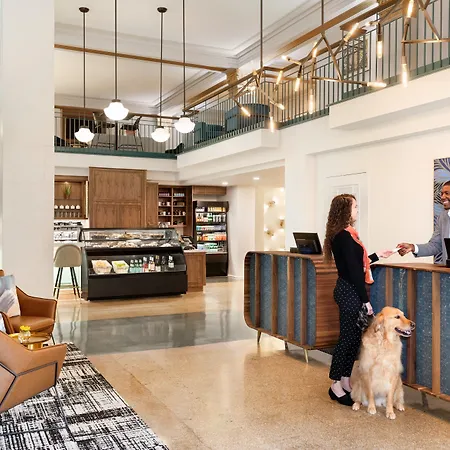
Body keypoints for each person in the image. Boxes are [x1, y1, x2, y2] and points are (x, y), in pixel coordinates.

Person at [323, 194, 393, 406]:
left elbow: (357, 263)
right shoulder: (344, 237)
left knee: (354, 339)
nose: (357, 210)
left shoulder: (347, 234)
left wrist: (378, 255)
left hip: (350, 290)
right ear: (345, 210)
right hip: (349, 291)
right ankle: (335, 384)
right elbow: (354, 272)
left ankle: (345, 379)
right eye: (355, 207)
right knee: (346, 339)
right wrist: (365, 301)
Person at [397, 181, 450, 264]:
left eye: (447, 193)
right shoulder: (442, 217)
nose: (443, 197)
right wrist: (412, 247)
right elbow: (436, 245)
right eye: (442, 194)